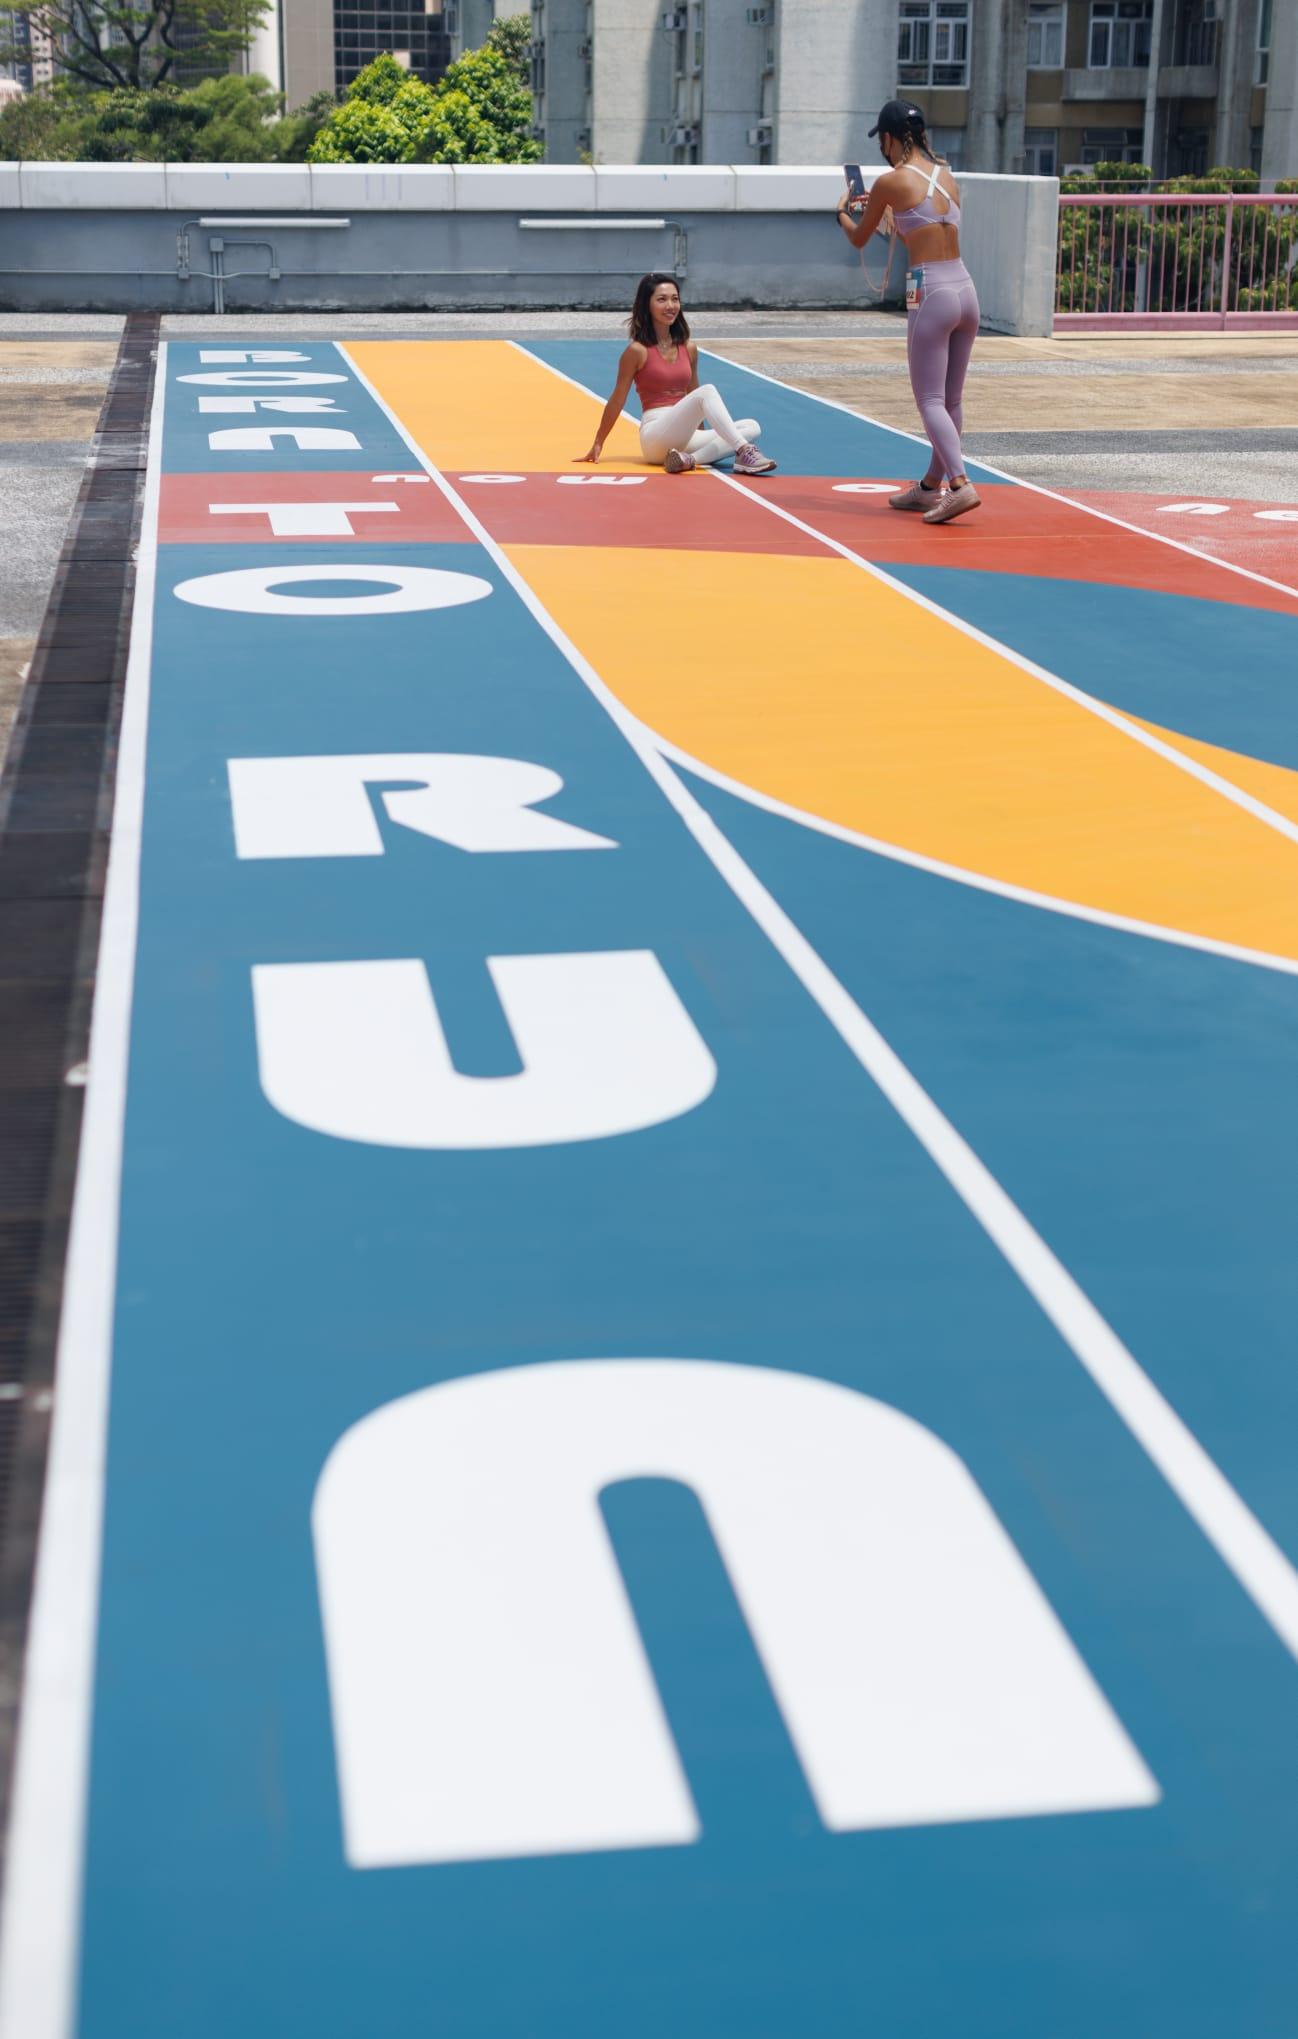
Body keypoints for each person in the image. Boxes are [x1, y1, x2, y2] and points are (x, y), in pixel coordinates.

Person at [836, 101, 981, 524]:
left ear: (889, 138)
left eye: (881, 140)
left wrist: (842, 212)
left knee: (930, 399)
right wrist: (891, 214)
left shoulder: (889, 181)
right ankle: (931, 486)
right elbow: (921, 228)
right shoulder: (946, 175)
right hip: (964, 288)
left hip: (931, 290)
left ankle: (960, 485)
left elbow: (860, 238)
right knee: (951, 399)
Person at [576, 273, 776, 476]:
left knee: (752, 427)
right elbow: (617, 399)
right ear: (647, 305)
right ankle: (744, 451)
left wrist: (701, 433)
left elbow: (694, 395)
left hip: (685, 435)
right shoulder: (637, 351)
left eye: (675, 299)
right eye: (662, 299)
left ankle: (688, 460)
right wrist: (598, 442)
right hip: (655, 436)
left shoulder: (689, 348)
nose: (670, 305)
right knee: (708, 391)